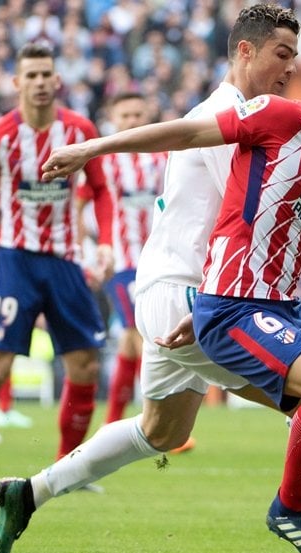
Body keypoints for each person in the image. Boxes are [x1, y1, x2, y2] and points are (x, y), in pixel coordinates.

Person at [0, 6, 301, 553]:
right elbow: (257, 225)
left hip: (182, 290)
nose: (290, 68)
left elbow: (271, 228)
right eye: (282, 54)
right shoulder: (232, 120)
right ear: (245, 51)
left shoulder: (250, 118)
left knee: (161, 431)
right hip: (193, 293)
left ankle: (29, 493)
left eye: (295, 57)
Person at [0, 42, 115, 487]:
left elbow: (101, 189)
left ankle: (64, 469)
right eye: (30, 76)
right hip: (15, 259)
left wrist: (107, 243)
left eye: (46, 75)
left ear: (57, 81)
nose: (39, 83)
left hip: (66, 261)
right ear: (17, 83)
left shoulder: (79, 130)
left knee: (85, 368)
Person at [83, 92, 168, 426]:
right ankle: (155, 420)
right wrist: (90, 253)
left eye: (137, 114)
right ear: (113, 119)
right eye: (125, 115)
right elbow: (79, 206)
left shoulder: (162, 158)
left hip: (158, 261)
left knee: (131, 346)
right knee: (140, 334)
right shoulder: (104, 161)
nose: (132, 121)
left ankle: (113, 422)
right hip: (124, 263)